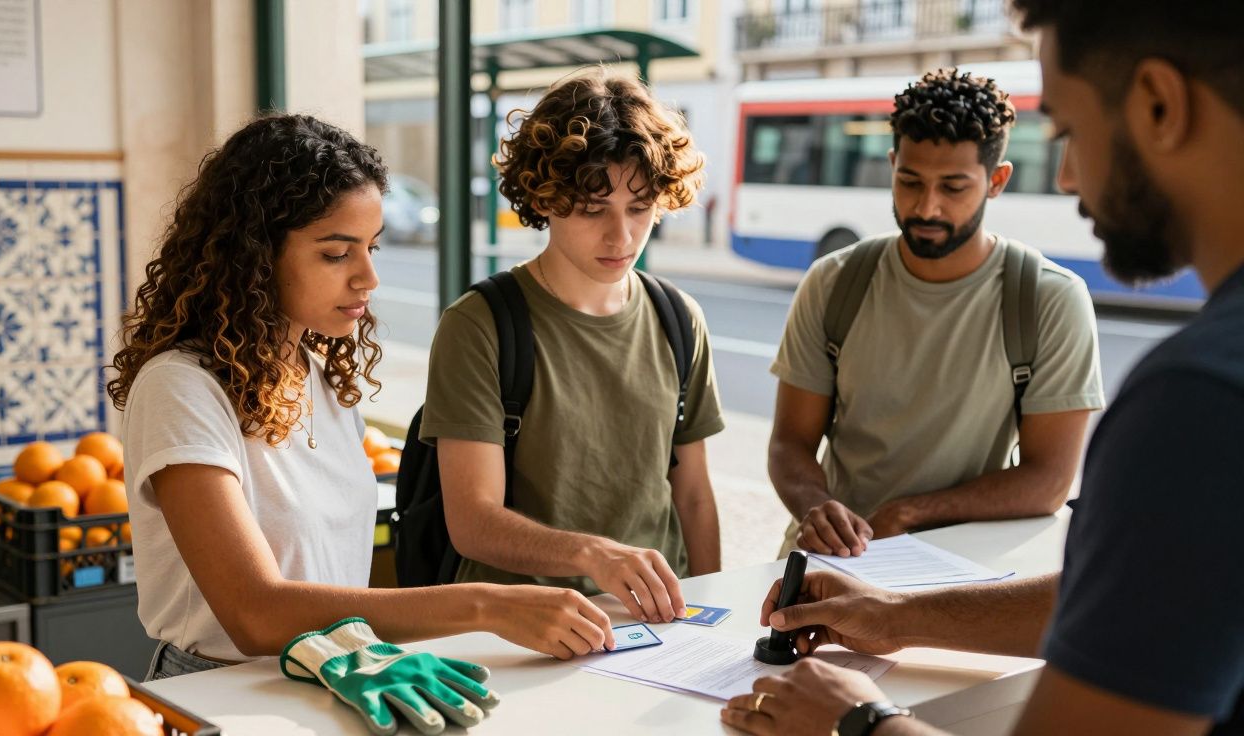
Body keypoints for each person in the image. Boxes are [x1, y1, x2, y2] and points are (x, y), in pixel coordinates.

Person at [724, 1, 1244, 733]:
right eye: (910, 180)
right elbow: (1128, 600)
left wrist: (857, 722)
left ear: (1159, 103)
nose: (1066, 177)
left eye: (1067, 130)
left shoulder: (1201, 400)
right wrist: (894, 616)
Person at [110, 114, 616, 678]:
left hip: (334, 674)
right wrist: (485, 605)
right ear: (251, 254)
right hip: (216, 688)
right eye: (336, 253)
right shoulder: (181, 387)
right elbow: (254, 614)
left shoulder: (322, 378)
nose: (368, 277)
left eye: (372, 247)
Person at [421, 71, 724, 625]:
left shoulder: (679, 319)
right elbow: (472, 521)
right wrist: (593, 555)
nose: (622, 237)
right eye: (592, 208)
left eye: (639, 208)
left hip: (655, 622)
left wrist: (711, 617)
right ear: (546, 197)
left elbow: (695, 497)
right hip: (523, 630)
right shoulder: (480, 325)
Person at [769, 68, 1104, 558]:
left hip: (959, 571)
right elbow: (789, 443)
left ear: (996, 181)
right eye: (910, 181)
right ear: (891, 166)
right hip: (831, 560)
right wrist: (816, 506)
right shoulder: (833, 281)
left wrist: (908, 513)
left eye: (953, 187)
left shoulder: (1050, 299)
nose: (927, 207)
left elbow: (1049, 480)